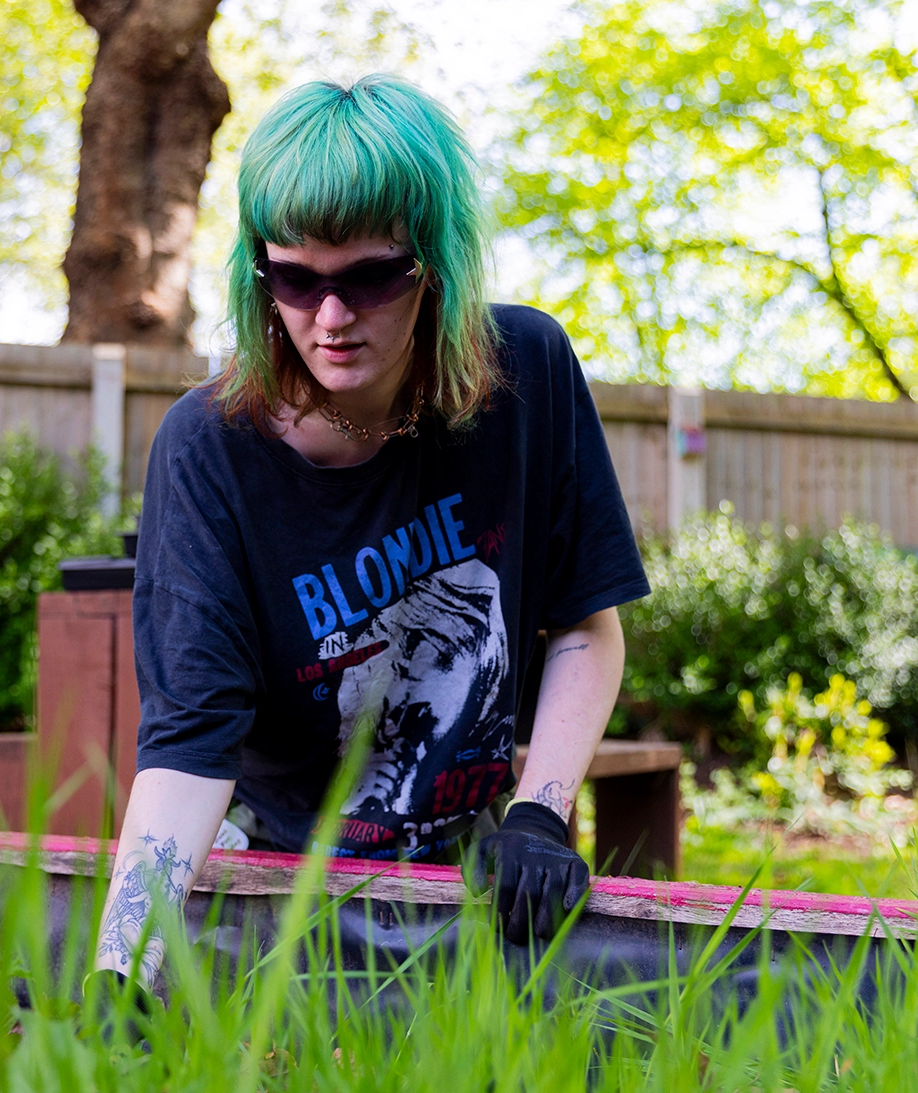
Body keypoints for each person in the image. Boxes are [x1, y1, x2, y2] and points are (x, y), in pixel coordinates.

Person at [92, 74, 649, 987]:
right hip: (275, 875)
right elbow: (189, 747)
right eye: (296, 281)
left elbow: (584, 623)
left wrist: (541, 814)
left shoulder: (526, 373)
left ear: (435, 262)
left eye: (369, 279)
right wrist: (120, 970)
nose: (331, 318)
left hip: (471, 863)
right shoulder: (209, 450)